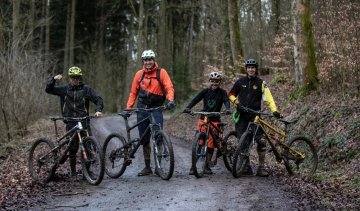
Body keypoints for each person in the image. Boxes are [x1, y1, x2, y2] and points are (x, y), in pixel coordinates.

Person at [45, 66, 104, 178]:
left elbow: (98, 99)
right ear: (70, 78)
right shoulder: (64, 89)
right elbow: (48, 90)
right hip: (71, 121)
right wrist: (53, 79)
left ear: (80, 78)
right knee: (72, 147)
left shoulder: (86, 89)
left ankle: (87, 172)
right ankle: (73, 173)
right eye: (73, 77)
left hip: (83, 120)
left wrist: (98, 110)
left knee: (88, 146)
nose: (75, 80)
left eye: (77, 78)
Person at [228, 59, 282, 177]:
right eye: (249, 67)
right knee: (242, 142)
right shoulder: (240, 82)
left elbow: (269, 99)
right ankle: (246, 167)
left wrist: (275, 111)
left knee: (261, 141)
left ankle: (261, 168)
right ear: (246, 69)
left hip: (255, 116)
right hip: (242, 116)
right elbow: (231, 94)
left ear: (255, 69)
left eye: (253, 67)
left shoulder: (261, 83)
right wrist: (235, 101)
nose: (251, 69)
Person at [126, 49, 175, 176]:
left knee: (158, 136)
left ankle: (158, 167)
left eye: (150, 59)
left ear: (154, 60)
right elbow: (133, 92)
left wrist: (170, 100)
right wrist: (129, 108)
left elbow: (169, 87)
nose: (148, 62)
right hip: (142, 109)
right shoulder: (139, 74)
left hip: (156, 108)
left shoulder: (161, 72)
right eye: (146, 60)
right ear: (143, 61)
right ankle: (147, 167)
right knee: (145, 139)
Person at [183, 71, 231, 175]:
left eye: (217, 81)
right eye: (212, 81)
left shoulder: (222, 92)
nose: (214, 83)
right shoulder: (205, 91)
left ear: (219, 82)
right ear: (209, 81)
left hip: (215, 120)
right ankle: (193, 167)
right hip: (203, 119)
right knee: (199, 142)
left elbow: (226, 100)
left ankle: (206, 166)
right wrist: (188, 108)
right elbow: (196, 99)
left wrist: (227, 108)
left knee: (210, 145)